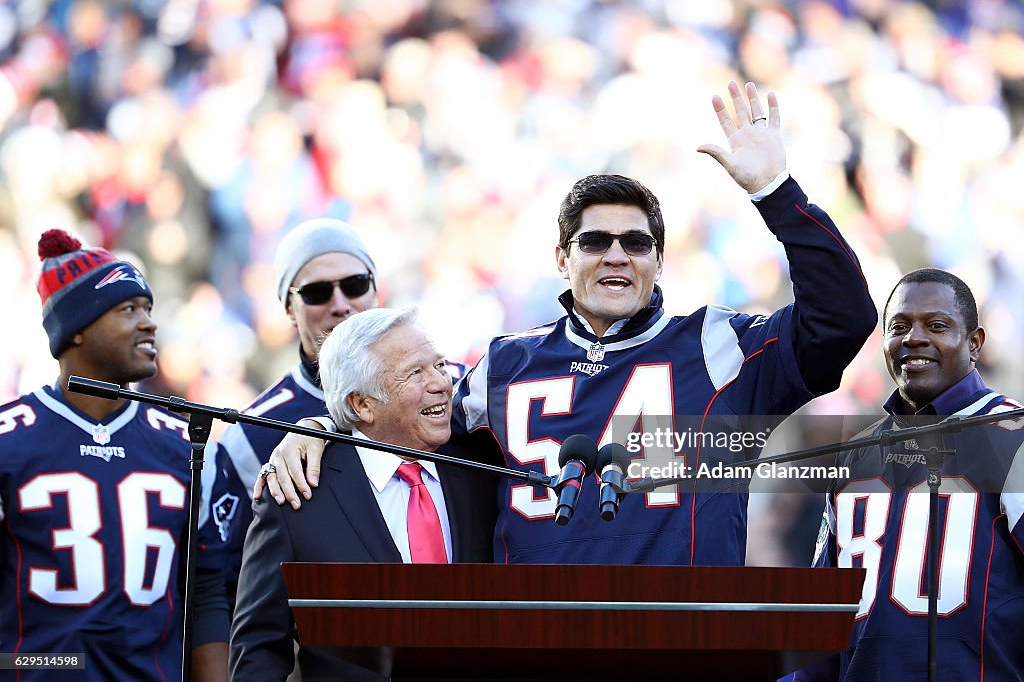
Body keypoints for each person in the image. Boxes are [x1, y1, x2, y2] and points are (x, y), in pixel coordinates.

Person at [258, 80, 877, 566]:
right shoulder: (504, 364)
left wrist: (775, 190)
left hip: (683, 646)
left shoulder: (718, 344)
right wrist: (319, 424)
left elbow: (844, 319)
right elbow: (396, 428)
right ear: (562, 258)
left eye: (636, 242)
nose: (615, 254)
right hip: (536, 648)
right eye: (595, 241)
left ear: (658, 261)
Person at [0, 230, 228, 681]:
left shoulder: (184, 444)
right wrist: (51, 666)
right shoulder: (9, 439)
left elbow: (204, 592)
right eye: (128, 309)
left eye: (148, 308)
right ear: (77, 330)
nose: (149, 323)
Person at [229, 308, 497, 681]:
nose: (441, 383)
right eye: (415, 373)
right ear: (361, 405)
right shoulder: (297, 493)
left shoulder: (481, 467)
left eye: (439, 365)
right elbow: (258, 650)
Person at [797, 269, 1024, 680]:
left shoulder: (1015, 438)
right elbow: (820, 621)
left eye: (936, 325)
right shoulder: (853, 454)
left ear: (975, 343)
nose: (914, 338)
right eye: (899, 326)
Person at [200, 218, 380, 604]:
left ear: (376, 290)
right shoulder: (248, 434)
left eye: (355, 285)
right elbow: (218, 583)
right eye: (316, 293)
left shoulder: (445, 388)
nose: (340, 305)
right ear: (288, 307)